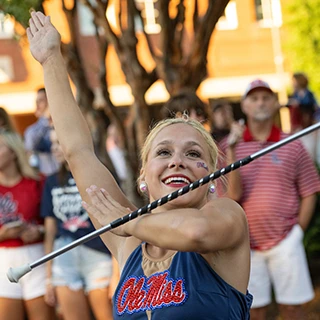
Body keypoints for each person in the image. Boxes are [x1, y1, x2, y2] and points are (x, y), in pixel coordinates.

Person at [27, 11, 253, 319]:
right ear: (143, 175)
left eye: (193, 154)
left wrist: (125, 222)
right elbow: (78, 152)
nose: (177, 161)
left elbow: (195, 232)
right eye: (163, 152)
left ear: (212, 175)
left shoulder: (227, 217)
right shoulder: (129, 243)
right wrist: (51, 59)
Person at [220, 79, 320, 320]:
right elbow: (230, 197)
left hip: (286, 241)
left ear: (276, 104)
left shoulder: (292, 144)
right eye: (254, 98)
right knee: (254, 311)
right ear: (244, 106)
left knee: (294, 309)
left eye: (266, 98)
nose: (260, 103)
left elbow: (309, 190)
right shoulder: (226, 147)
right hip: (245, 246)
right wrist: (232, 151)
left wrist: (298, 232)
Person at [41, 128, 113, 320]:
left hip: (98, 254)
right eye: (52, 144)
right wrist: (49, 277)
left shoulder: (99, 175)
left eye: (59, 143)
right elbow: (50, 231)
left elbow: (117, 225)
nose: (54, 148)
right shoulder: (52, 181)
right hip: (64, 254)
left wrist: (118, 270)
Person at [0, 130, 54, 320]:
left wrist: (38, 231)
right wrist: (4, 234)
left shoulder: (38, 182)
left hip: (36, 255)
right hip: (4, 257)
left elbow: (52, 223)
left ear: (14, 152)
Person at [24, 87, 59, 176]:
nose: (37, 105)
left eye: (41, 101)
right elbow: (31, 144)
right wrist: (46, 119)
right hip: (47, 178)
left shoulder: (63, 124)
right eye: (36, 102)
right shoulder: (32, 130)